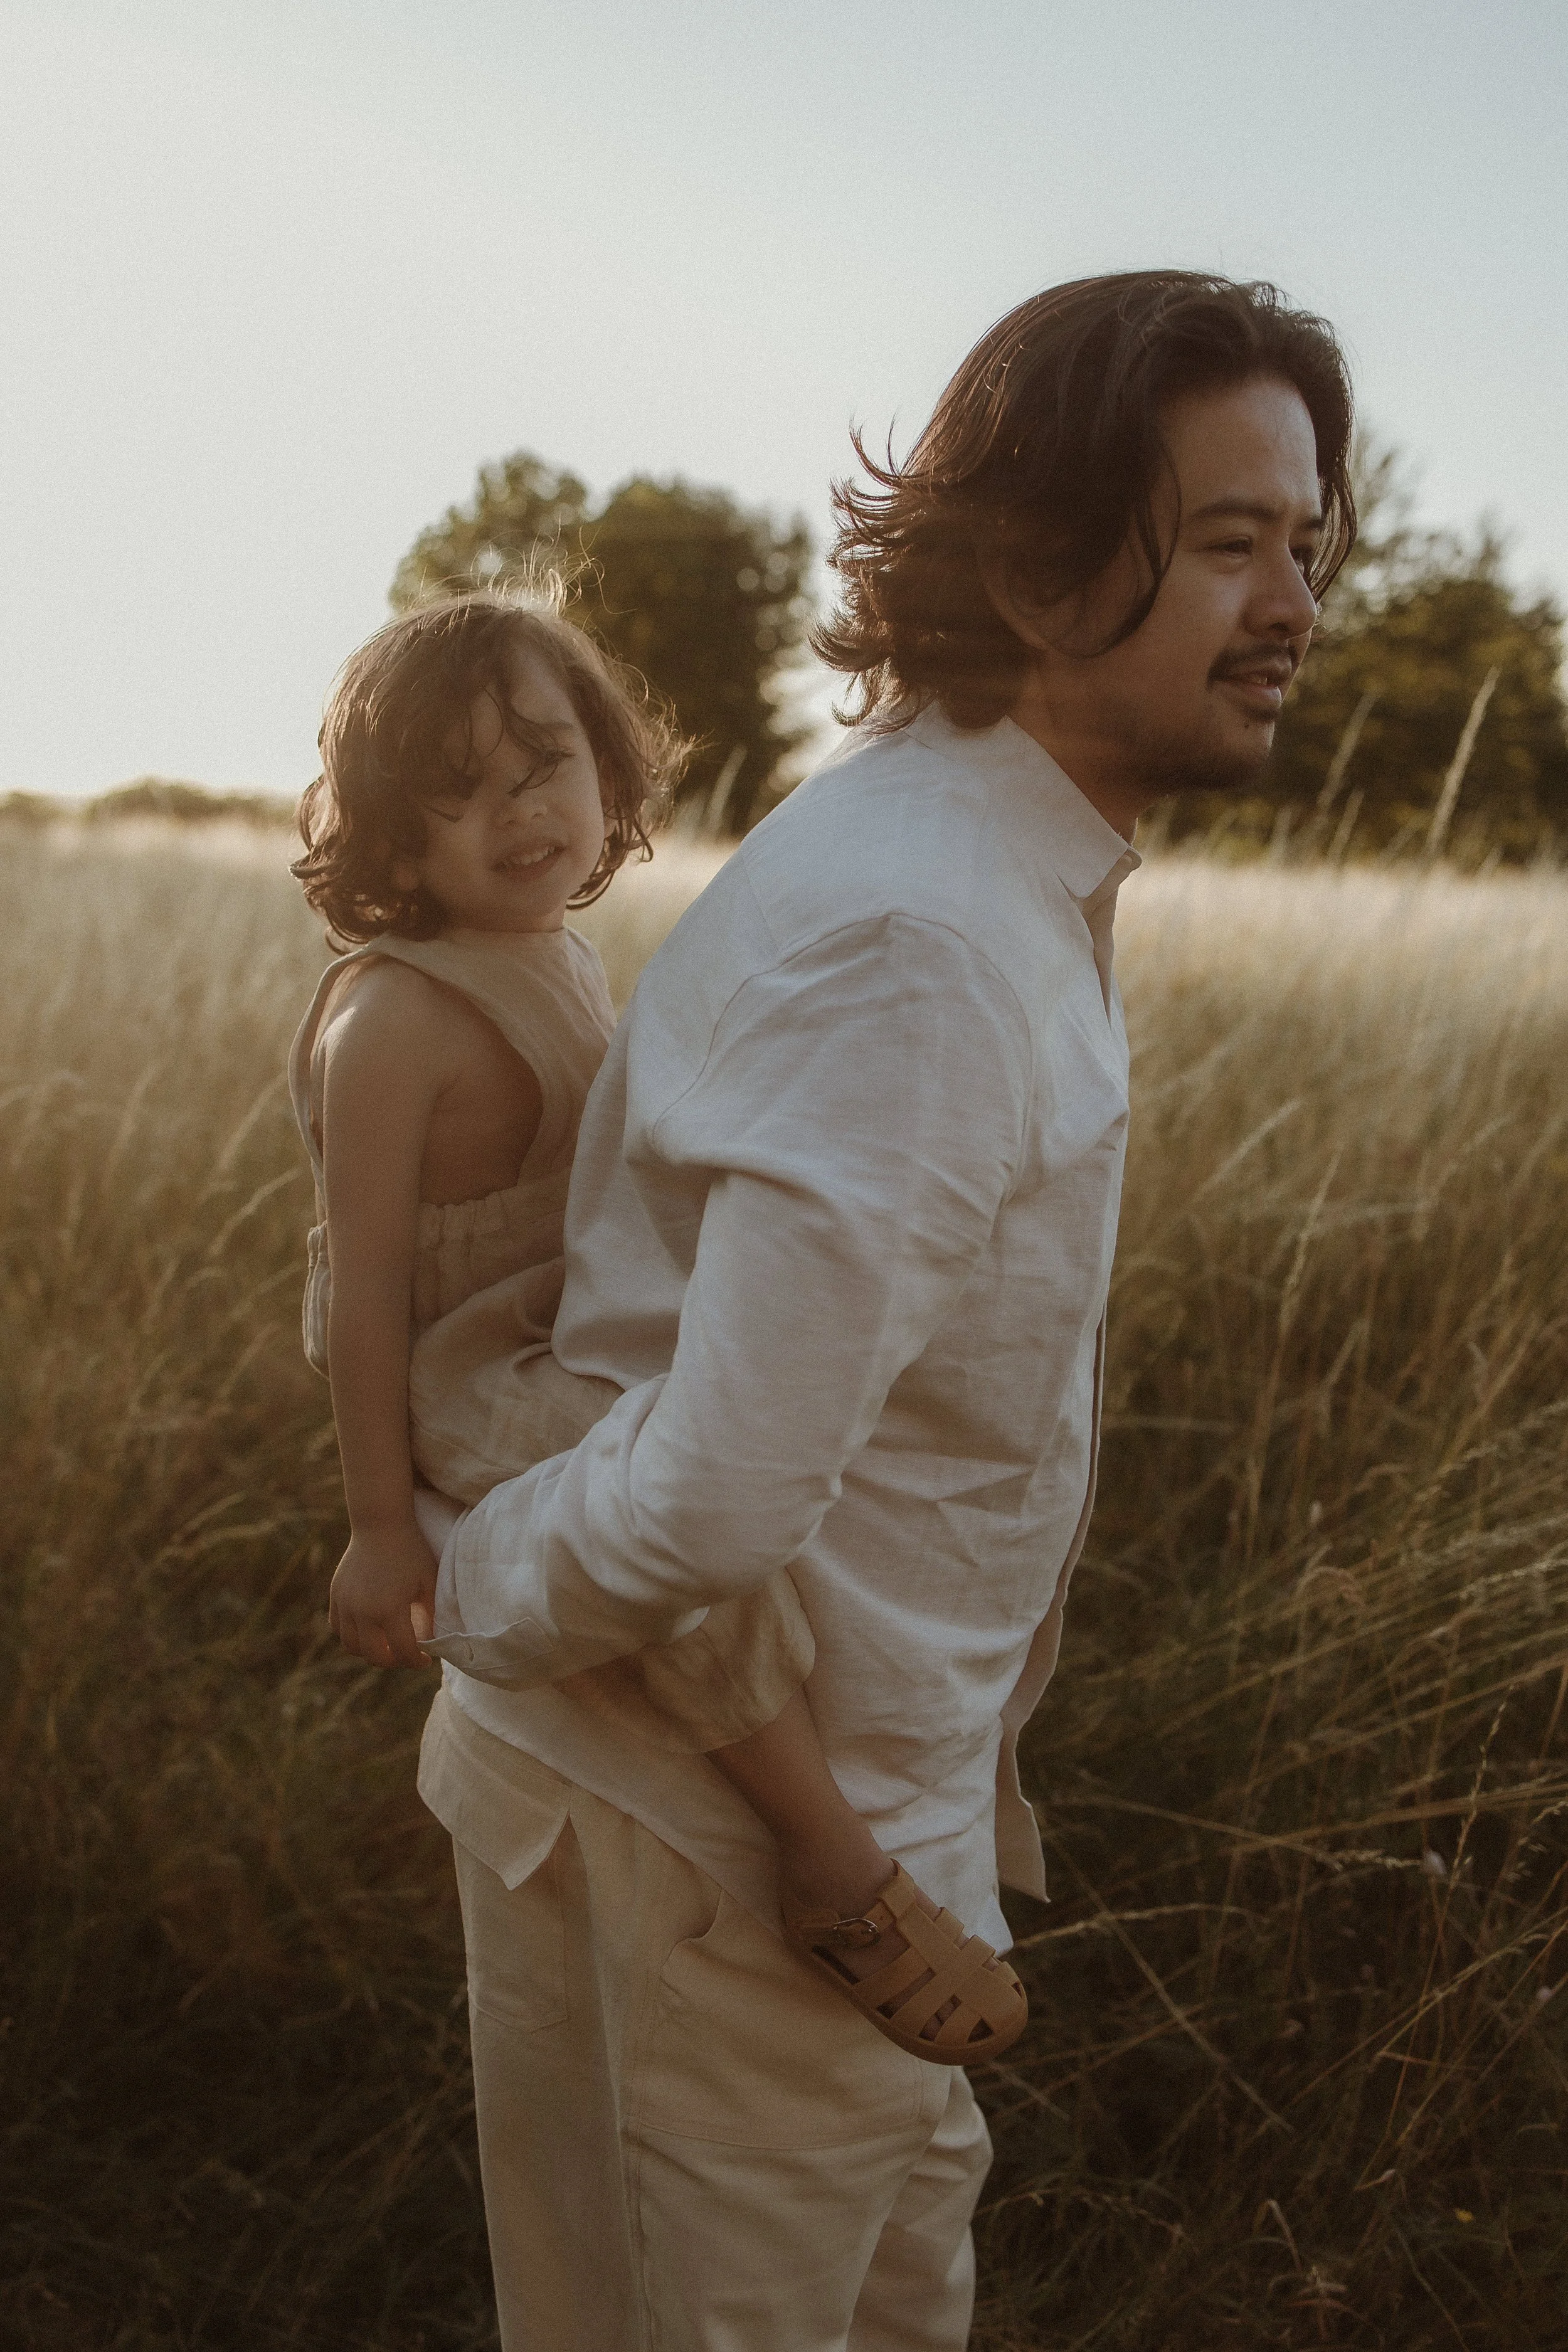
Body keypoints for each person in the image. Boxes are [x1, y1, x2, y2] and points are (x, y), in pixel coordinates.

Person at [415, 271, 1356, 2350]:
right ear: (1030, 569)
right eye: (1228, 541)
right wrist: (469, 1584)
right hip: (706, 1862)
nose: (1295, 602)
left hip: (849, 1833)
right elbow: (714, 1500)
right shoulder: (923, 931)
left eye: (1306, 542)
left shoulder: (983, 868)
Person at [287, 590, 1027, 2070]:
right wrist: (377, 1527)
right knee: (659, 1501)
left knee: (778, 1414)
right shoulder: (394, 1022)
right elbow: (362, 1292)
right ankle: (826, 1857)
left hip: (570, 1311)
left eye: (543, 765)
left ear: (605, 765)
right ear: (391, 840)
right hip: (463, 1369)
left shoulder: (558, 949)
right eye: (456, 794)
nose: (519, 814)